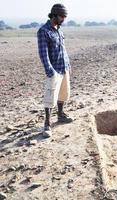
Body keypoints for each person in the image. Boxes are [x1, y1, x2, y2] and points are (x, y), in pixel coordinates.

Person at [37, 3, 73, 138]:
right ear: (54, 15)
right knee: (50, 97)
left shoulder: (59, 30)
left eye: (65, 16)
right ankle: (47, 123)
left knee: (64, 93)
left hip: (64, 68)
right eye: (62, 16)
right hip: (54, 70)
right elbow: (43, 53)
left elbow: (63, 50)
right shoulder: (44, 31)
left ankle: (61, 115)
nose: (63, 19)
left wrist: (68, 65)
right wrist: (49, 70)